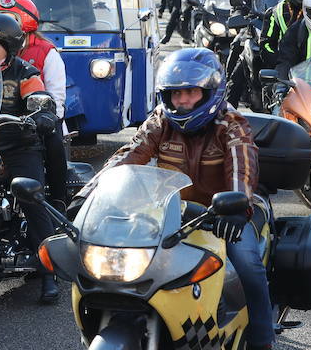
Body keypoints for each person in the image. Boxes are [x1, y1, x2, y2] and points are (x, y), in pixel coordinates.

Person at [69, 48, 271, 350]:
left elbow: (243, 167)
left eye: (190, 92)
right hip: (169, 213)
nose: (182, 101)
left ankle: (262, 339)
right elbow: (129, 154)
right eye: (175, 94)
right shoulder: (161, 120)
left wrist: (237, 205)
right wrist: (88, 194)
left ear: (210, 92)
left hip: (224, 214)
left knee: (248, 263)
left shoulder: (231, 124)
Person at [0, 13, 59, 304]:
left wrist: (42, 115)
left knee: (32, 200)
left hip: (19, 147)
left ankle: (49, 273)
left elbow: (41, 99)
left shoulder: (25, 73)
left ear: (9, 46)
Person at [0, 0, 68, 209]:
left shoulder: (46, 51)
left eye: (9, 17)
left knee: (53, 143)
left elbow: (56, 96)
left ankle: (58, 199)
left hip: (32, 122)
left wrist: (46, 118)